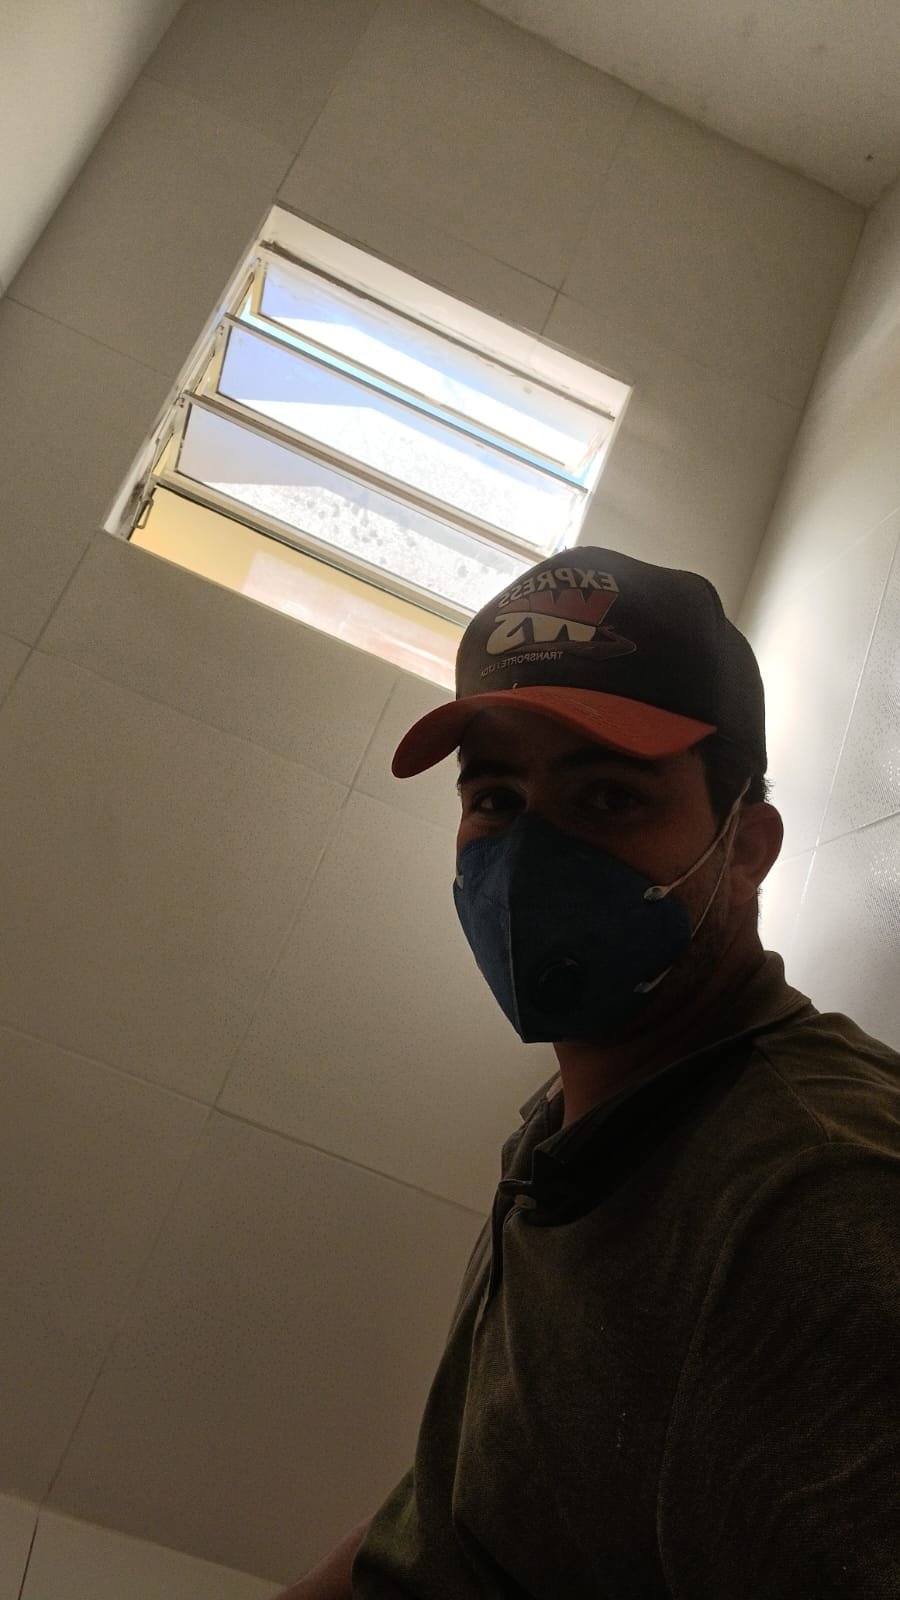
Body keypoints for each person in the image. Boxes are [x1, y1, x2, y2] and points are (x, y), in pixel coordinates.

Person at [275, 546, 900, 1598]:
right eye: (497, 797)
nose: (530, 858)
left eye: (607, 797)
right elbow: (467, 1503)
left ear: (747, 847)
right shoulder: (575, 1125)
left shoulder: (816, 1201)